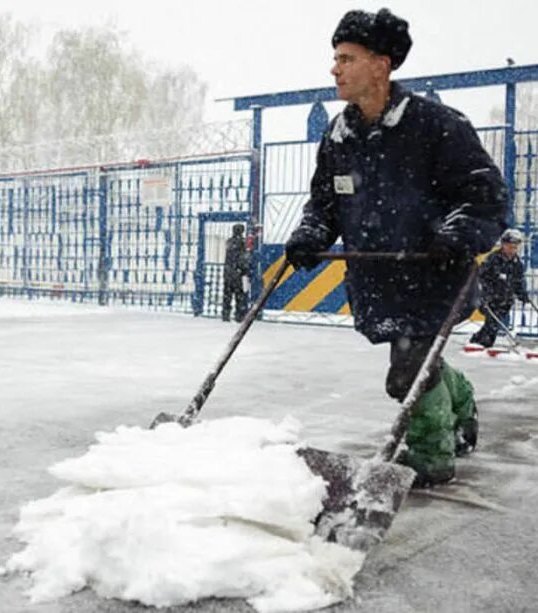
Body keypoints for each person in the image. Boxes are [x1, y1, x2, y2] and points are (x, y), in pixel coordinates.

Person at [285, 9, 507, 486]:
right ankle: (461, 403)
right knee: (418, 362)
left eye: (347, 58)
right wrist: (309, 235)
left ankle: (429, 455)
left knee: (406, 373)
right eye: (335, 58)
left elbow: (485, 196)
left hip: (433, 273)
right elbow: (325, 204)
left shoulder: (436, 125)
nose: (335, 68)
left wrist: (456, 235)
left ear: (381, 65)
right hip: (377, 278)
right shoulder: (339, 135)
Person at [469, 229, 529, 347]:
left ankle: (476, 341)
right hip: (489, 298)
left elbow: (518, 281)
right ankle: (485, 344)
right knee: (492, 323)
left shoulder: (517, 264)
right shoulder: (492, 259)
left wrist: (522, 294)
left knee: (492, 324)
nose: (512, 250)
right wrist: (484, 293)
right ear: (503, 245)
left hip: (505, 300)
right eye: (510, 246)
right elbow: (481, 277)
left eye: (515, 247)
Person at [222, 224, 250, 322]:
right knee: (239, 296)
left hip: (228, 272)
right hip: (238, 273)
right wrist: (245, 270)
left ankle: (225, 314)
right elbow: (243, 258)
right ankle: (239, 315)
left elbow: (228, 257)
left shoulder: (229, 242)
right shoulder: (242, 243)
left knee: (227, 295)